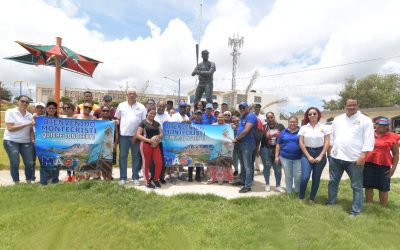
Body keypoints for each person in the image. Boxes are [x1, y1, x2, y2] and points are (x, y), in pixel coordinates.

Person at [327, 98, 374, 216]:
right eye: (349, 105)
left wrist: (363, 156)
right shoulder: (337, 120)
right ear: (345, 106)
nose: (351, 107)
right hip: (336, 158)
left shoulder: (365, 120)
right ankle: (331, 203)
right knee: (333, 182)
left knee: (356, 186)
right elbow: (332, 137)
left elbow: (369, 139)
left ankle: (356, 211)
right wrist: (330, 153)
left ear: (358, 105)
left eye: (354, 105)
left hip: (354, 160)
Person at [114, 88, 147, 186]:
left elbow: (143, 122)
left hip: (136, 136)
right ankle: (123, 177)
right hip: (123, 135)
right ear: (127, 95)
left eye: (133, 94)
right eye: (130, 94)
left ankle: (135, 177)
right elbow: (118, 119)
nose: (131, 95)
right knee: (123, 156)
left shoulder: (141, 107)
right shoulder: (121, 105)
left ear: (136, 95)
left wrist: (138, 135)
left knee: (136, 157)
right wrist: (115, 122)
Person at [364, 117, 399, 207]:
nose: (381, 126)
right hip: (368, 164)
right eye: (379, 124)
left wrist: (394, 168)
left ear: (387, 126)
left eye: (384, 125)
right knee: (368, 185)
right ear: (375, 125)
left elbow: (395, 154)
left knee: (383, 187)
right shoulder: (368, 134)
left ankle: (383, 207)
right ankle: (369, 205)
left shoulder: (392, 137)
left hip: (384, 165)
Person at [298, 107, 330, 203]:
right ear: (307, 116)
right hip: (306, 153)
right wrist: (308, 156)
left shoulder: (324, 127)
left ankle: (312, 198)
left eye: (314, 113)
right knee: (305, 177)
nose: (312, 115)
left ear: (318, 115)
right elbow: (301, 143)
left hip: (320, 152)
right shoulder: (303, 128)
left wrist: (321, 155)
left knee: (316, 178)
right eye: (310, 114)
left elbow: (327, 142)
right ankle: (301, 196)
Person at [3, 95, 35, 184]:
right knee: (15, 162)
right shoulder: (10, 111)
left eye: (27, 102)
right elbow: (10, 128)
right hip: (11, 141)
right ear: (18, 101)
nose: (24, 103)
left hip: (26, 141)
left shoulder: (29, 115)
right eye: (22, 101)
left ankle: (29, 182)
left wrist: (32, 139)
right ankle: (16, 183)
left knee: (29, 162)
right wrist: (26, 124)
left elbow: (31, 130)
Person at [233, 102, 258, 193]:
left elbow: (246, 130)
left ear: (247, 108)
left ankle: (247, 186)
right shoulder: (242, 117)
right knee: (242, 164)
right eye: (240, 107)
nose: (242, 109)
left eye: (244, 107)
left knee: (248, 165)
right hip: (240, 143)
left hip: (247, 143)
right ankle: (242, 181)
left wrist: (237, 138)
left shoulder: (251, 116)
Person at [136, 108, 163, 189]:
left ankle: (155, 179)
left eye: (154, 114)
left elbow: (161, 134)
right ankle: (147, 181)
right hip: (145, 144)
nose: (152, 115)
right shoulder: (143, 123)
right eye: (151, 113)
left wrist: (156, 137)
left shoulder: (157, 123)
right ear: (147, 113)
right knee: (146, 163)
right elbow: (138, 135)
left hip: (156, 145)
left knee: (159, 162)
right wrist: (149, 140)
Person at [259, 112, 285, 192]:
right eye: (268, 118)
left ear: (274, 117)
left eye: (272, 117)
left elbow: (284, 138)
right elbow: (260, 139)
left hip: (277, 150)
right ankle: (267, 184)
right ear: (266, 119)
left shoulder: (280, 126)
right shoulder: (264, 127)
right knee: (266, 167)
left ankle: (278, 185)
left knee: (277, 168)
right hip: (265, 150)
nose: (270, 119)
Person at [275, 116, 302, 193]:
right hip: (285, 158)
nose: (292, 123)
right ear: (288, 123)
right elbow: (278, 144)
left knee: (298, 176)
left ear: (297, 123)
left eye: (294, 122)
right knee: (288, 175)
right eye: (291, 122)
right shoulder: (283, 132)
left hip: (298, 157)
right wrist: (276, 156)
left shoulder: (301, 132)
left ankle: (297, 191)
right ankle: (289, 192)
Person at [208, 113, 234, 184]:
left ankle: (226, 178)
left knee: (224, 162)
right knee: (215, 163)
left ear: (224, 118)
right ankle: (213, 178)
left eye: (222, 117)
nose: (220, 119)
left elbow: (231, 137)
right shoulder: (213, 126)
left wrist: (229, 143)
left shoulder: (228, 126)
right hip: (215, 147)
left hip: (225, 147)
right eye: (219, 117)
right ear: (217, 118)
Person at [168, 101, 191, 184]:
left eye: (184, 107)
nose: (183, 109)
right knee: (174, 158)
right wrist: (183, 123)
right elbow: (171, 127)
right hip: (174, 140)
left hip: (183, 141)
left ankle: (180, 174)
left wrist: (189, 124)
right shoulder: (174, 116)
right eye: (181, 107)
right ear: (179, 108)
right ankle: (173, 175)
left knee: (182, 157)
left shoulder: (187, 117)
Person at [39, 101, 60, 185]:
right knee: (44, 163)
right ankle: (43, 182)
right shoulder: (40, 119)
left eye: (53, 108)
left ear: (56, 110)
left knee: (56, 162)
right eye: (49, 108)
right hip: (43, 144)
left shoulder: (60, 120)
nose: (51, 110)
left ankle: (55, 180)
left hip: (56, 145)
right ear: (46, 109)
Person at [98, 106, 119, 181]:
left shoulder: (112, 122)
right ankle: (104, 178)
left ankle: (109, 178)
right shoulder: (98, 121)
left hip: (110, 145)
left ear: (109, 113)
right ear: (101, 112)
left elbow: (116, 133)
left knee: (109, 162)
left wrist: (115, 144)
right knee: (102, 161)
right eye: (104, 110)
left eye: (107, 111)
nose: (105, 112)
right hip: (100, 145)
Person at [154, 100, 169, 184]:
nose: (161, 107)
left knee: (163, 159)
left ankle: (161, 177)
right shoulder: (153, 114)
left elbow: (171, 126)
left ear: (165, 107)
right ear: (157, 105)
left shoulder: (167, 115)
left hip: (164, 140)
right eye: (159, 106)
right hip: (154, 139)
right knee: (154, 160)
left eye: (163, 106)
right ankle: (153, 176)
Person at [60, 102, 76, 182]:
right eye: (64, 108)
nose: (66, 109)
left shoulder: (77, 118)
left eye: (68, 107)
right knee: (67, 158)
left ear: (73, 109)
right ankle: (68, 175)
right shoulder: (61, 118)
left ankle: (75, 175)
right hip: (65, 142)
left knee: (76, 157)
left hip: (75, 142)